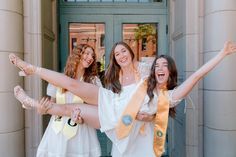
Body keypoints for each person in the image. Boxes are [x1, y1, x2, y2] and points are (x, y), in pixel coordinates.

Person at [9, 41, 236, 157]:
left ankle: (33, 99)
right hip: (110, 103)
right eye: (158, 66)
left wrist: (222, 54)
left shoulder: (170, 95)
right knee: (72, 90)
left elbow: (197, 75)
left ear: (170, 73)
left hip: (119, 123)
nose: (160, 69)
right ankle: (31, 70)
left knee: (70, 108)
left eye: (165, 67)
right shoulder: (143, 80)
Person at [19, 44, 102, 157]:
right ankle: (30, 102)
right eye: (87, 53)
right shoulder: (58, 79)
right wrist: (41, 109)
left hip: (81, 132)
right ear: (77, 55)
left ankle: (29, 102)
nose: (90, 57)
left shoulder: (93, 81)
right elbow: (47, 109)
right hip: (57, 133)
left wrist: (81, 119)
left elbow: (96, 111)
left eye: (92, 55)